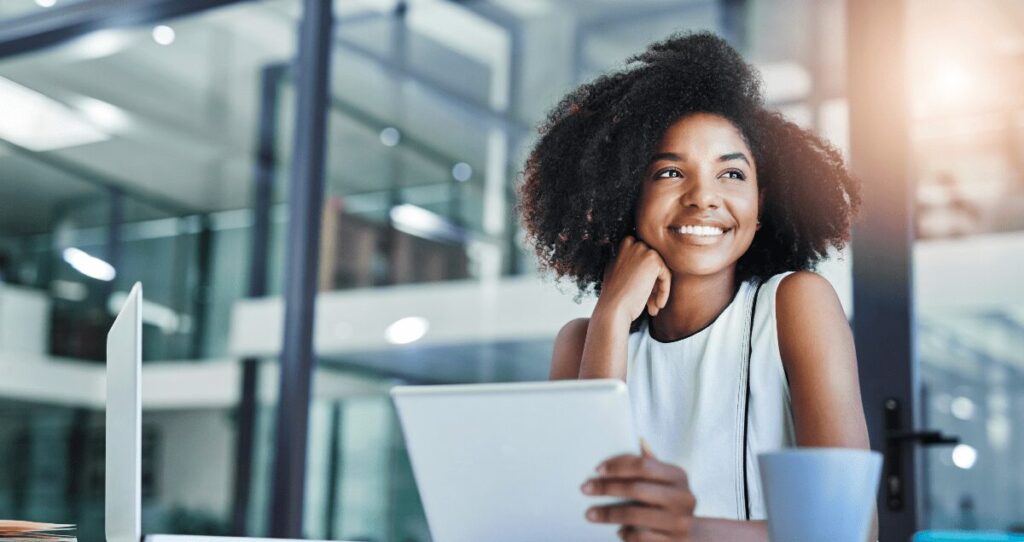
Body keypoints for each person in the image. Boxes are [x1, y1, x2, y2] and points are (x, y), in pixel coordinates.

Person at [516, 31, 875, 541]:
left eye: (731, 174)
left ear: (761, 203)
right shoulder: (584, 339)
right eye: (669, 172)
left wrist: (690, 531)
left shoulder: (794, 304)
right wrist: (613, 316)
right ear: (625, 195)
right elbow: (582, 525)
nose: (704, 197)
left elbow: (853, 529)